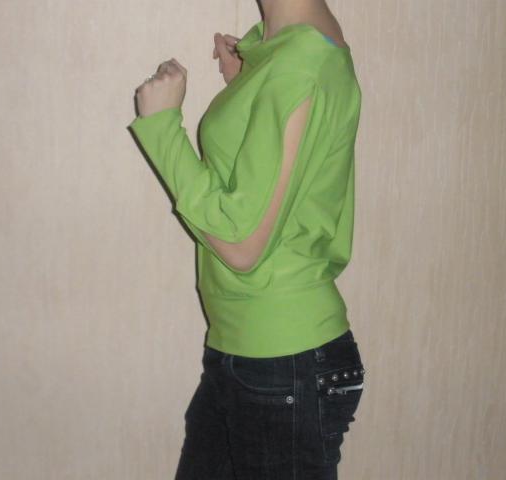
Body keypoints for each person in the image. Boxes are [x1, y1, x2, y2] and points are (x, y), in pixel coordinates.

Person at [128, 0, 364, 477]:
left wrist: (162, 128)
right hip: (256, 354)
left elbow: (242, 245)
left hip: (280, 361)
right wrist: (250, 79)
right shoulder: (295, 47)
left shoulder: (299, 62)